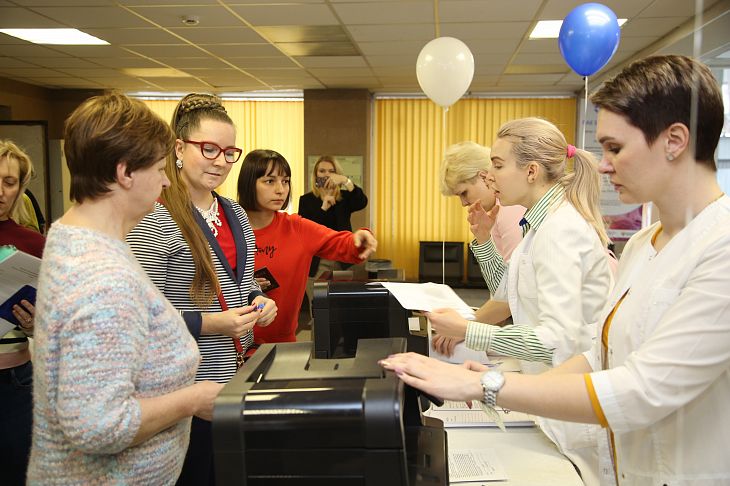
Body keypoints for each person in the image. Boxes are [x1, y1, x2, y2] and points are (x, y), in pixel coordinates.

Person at [380, 55, 729, 485]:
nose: (603, 164)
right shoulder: (643, 242)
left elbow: (643, 387)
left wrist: (486, 381)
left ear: (675, 140)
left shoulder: (721, 246)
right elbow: (596, 352)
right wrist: (496, 375)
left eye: (616, 149)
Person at [27, 93, 222, 485]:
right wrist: (194, 399)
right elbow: (98, 425)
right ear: (125, 173)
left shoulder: (75, 234)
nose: (167, 180)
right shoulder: (102, 276)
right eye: (160, 169)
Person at [422, 117, 614, 484]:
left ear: (530, 171)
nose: (491, 177)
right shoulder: (538, 225)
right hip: (547, 394)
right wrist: (481, 240)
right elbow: (508, 294)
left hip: (566, 409)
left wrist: (469, 331)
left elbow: (555, 340)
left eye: (497, 165)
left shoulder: (560, 230)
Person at [126, 93, 277, 486]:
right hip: (182, 389)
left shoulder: (234, 212)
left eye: (230, 152)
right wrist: (213, 324)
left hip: (231, 379)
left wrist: (258, 301)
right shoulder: (155, 216)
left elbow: (241, 288)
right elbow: (138, 316)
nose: (221, 161)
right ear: (178, 148)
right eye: (208, 149)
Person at [238, 149, 377, 344]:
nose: (280, 189)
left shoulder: (296, 227)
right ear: (248, 184)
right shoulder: (227, 227)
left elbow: (339, 242)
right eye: (270, 181)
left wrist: (360, 238)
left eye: (285, 181)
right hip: (229, 345)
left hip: (280, 343)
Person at [434, 141, 526, 356]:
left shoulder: (512, 210)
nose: (463, 203)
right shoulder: (495, 213)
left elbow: (512, 296)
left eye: (464, 193)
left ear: (484, 176)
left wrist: (464, 328)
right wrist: (483, 240)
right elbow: (501, 289)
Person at [0, 140, 45, 486]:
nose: (0, 191)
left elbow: (50, 321)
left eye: (9, 182)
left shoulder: (32, 244)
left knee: (18, 472)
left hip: (15, 380)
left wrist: (33, 324)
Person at [299, 155, 368, 304]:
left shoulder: (344, 198)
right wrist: (323, 207)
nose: (326, 174)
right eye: (322, 171)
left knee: (342, 307)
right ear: (315, 174)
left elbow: (362, 202)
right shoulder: (306, 200)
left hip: (342, 259)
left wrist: (345, 181)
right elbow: (305, 231)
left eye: (331, 171)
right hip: (317, 262)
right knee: (318, 309)